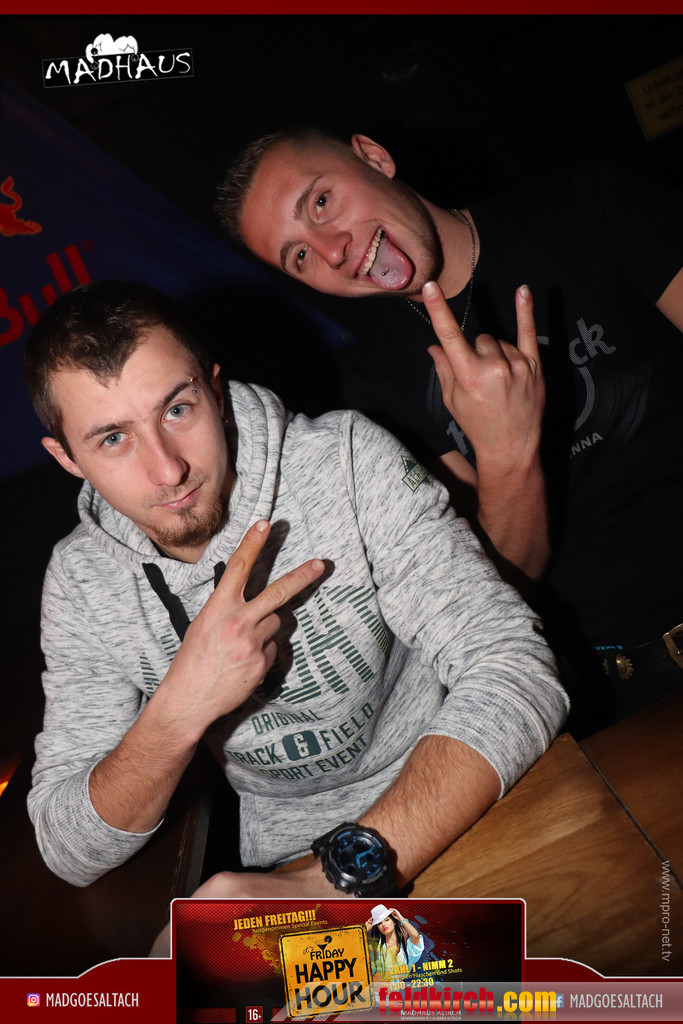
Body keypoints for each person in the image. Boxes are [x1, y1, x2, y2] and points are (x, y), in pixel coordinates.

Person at [24, 280, 566, 902]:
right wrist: (179, 708)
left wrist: (334, 882)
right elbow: (68, 848)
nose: (168, 469)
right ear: (67, 458)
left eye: (177, 410)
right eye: (113, 439)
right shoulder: (81, 583)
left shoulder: (344, 460)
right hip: (291, 863)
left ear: (216, 393)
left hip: (474, 792)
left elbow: (516, 668)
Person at [217, 129, 683, 730]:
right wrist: (506, 449)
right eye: (299, 256)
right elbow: (507, 579)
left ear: (374, 157)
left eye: (322, 202)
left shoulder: (592, 203)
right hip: (615, 689)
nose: (331, 252)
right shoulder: (376, 385)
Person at [365, 903, 424, 1002]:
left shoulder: (406, 949)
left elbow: (415, 936)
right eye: (379, 923)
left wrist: (401, 919)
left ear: (394, 922)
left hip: (393, 999)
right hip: (372, 997)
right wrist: (364, 931)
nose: (384, 924)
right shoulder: (375, 947)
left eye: (387, 920)